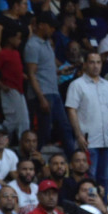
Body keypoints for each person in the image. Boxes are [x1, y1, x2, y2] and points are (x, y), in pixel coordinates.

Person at [65, 52, 108, 199]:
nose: (95, 65)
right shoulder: (77, 85)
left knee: (104, 179)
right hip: (88, 141)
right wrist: (78, 135)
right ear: (85, 64)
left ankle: (101, 212)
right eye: (92, 62)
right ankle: (90, 211)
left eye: (98, 62)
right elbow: (71, 110)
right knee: (90, 179)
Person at [25, 12, 75, 156]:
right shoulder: (33, 45)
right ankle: (33, 160)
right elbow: (31, 74)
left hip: (53, 91)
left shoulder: (46, 42)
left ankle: (73, 161)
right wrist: (41, 98)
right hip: (43, 94)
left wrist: (60, 71)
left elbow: (44, 69)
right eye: (51, 26)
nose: (53, 29)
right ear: (41, 25)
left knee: (65, 127)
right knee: (43, 131)